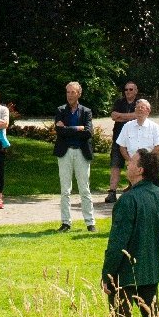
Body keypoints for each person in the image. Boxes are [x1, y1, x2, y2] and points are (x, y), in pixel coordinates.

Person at [102, 148, 159, 317]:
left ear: (140, 170)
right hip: (151, 270)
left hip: (125, 273)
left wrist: (107, 274)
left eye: (132, 162)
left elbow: (117, 242)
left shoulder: (128, 200)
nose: (127, 164)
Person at [54, 81, 98, 231]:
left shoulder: (86, 111)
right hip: (64, 152)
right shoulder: (60, 110)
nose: (70, 95)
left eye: (73, 92)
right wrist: (77, 128)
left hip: (81, 152)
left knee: (84, 189)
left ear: (79, 94)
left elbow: (88, 132)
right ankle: (66, 222)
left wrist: (68, 129)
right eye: (68, 92)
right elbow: (59, 132)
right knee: (65, 189)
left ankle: (90, 222)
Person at [105, 79, 140, 204]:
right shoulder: (119, 102)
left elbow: (138, 116)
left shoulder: (139, 103)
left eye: (131, 89)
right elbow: (114, 116)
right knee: (115, 165)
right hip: (118, 139)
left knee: (133, 163)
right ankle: (112, 192)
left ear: (136, 91)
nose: (128, 92)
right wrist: (131, 116)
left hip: (134, 140)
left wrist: (122, 117)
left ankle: (133, 187)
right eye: (126, 89)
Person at [114, 98, 159, 176]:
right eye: (137, 107)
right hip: (133, 166)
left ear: (148, 111)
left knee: (151, 188)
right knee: (134, 187)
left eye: (142, 107)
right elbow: (122, 146)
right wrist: (130, 161)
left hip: (150, 166)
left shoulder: (154, 127)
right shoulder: (127, 126)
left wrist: (146, 160)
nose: (139, 109)